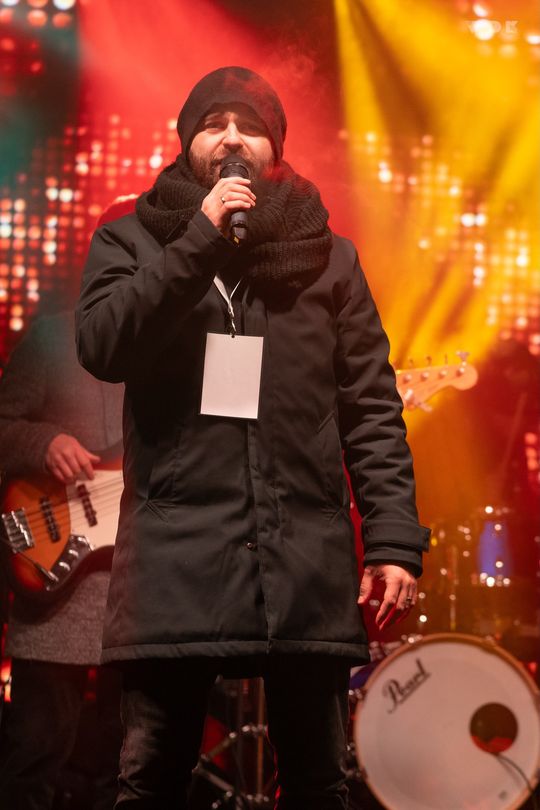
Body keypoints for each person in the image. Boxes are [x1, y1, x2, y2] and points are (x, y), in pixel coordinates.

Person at [76, 66, 430, 809]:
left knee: (319, 782)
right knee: (149, 782)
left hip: (304, 559)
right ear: (187, 143)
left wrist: (395, 540)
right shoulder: (131, 238)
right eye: (215, 124)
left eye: (251, 127)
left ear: (276, 149)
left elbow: (371, 405)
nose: (233, 138)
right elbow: (104, 345)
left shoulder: (331, 258)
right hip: (175, 561)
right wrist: (199, 240)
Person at [0, 310, 124, 810]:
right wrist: (44, 443)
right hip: (54, 590)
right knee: (33, 760)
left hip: (143, 595)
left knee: (131, 774)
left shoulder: (172, 342)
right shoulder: (55, 335)